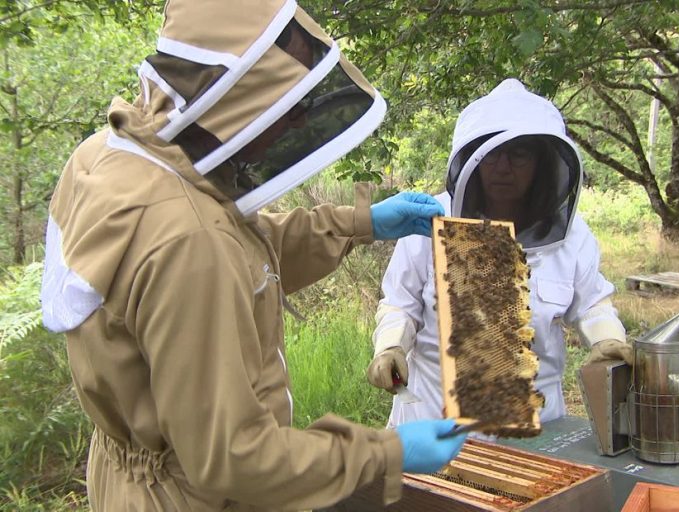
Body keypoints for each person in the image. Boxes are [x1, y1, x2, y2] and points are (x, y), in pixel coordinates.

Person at [39, 2, 466, 511]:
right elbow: (235, 459)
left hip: (126, 478)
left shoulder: (109, 154)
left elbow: (237, 255)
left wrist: (361, 223)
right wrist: (387, 451)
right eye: (286, 102)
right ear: (234, 94)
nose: (295, 120)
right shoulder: (189, 243)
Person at [367, 79, 633, 429]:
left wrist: (607, 339)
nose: (503, 168)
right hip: (432, 427)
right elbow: (400, 304)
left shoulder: (574, 236)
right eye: (491, 154)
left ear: (542, 163)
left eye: (518, 155)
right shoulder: (427, 221)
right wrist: (390, 347)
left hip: (534, 432)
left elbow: (592, 303)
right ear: (471, 158)